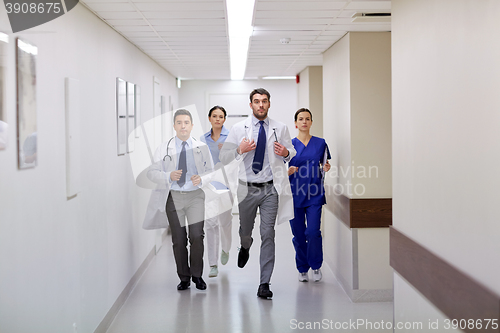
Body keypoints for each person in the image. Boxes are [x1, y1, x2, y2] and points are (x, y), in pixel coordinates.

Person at [220, 88, 296, 299]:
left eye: (264, 101)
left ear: (269, 104)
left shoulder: (280, 128)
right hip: (246, 187)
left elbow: (292, 151)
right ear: (250, 105)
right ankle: (245, 246)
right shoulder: (238, 129)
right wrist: (239, 150)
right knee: (246, 231)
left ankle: (264, 283)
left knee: (268, 234)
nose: (260, 105)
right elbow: (224, 156)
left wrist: (286, 153)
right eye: (256, 101)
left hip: (271, 188)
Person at [146, 109, 214, 291]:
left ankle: (197, 276)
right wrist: (169, 175)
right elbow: (151, 173)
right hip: (173, 197)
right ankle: (184, 277)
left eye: (186, 122)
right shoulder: (163, 148)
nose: (183, 126)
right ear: (174, 125)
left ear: (192, 126)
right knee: (178, 239)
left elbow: (210, 171)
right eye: (179, 122)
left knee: (196, 236)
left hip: (195, 197)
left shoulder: (201, 147)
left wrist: (202, 179)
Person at [288, 108, 331, 282]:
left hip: (314, 193)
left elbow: (324, 163)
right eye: (301, 119)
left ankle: (316, 265)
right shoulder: (289, 145)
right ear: (296, 123)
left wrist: (326, 167)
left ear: (311, 122)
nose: (304, 121)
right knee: (298, 235)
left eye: (307, 119)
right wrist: (287, 171)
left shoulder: (320, 143)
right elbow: (279, 168)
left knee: (313, 232)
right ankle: (302, 268)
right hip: (294, 194)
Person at [200, 105, 233, 278]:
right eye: (215, 116)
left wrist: (226, 152)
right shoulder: (202, 139)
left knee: (225, 223)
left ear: (224, 119)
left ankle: (226, 249)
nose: (218, 119)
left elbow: (238, 159)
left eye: (221, 116)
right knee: (211, 224)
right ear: (210, 118)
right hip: (209, 187)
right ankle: (213, 264)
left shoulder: (231, 137)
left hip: (226, 185)